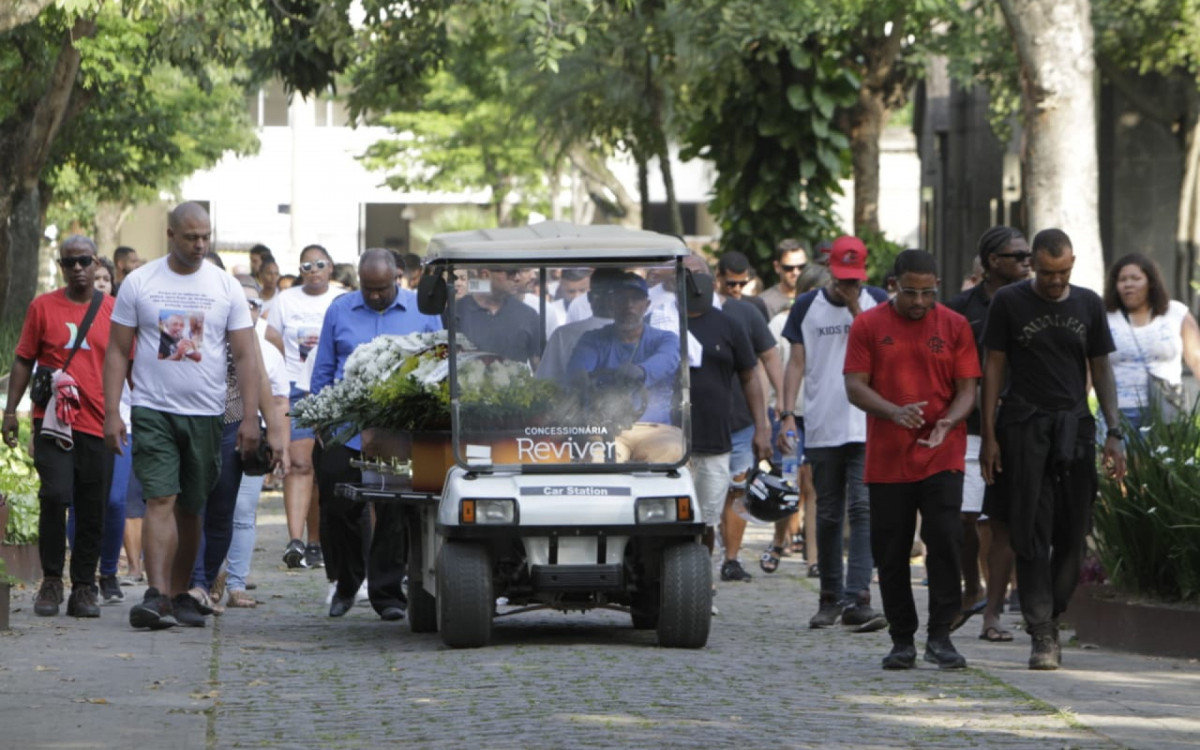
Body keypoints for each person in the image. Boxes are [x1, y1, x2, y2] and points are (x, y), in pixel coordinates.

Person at [104, 202, 264, 630]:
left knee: (192, 507)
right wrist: (111, 412)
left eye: (206, 237)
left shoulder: (224, 287)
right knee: (160, 498)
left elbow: (247, 356)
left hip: (207, 414)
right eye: (191, 237)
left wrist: (250, 418)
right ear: (171, 235)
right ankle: (156, 596)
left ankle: (179, 594)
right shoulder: (140, 282)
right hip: (153, 409)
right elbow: (118, 350)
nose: (200, 244)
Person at [980, 228, 1126, 670]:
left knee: (1073, 531)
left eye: (1063, 273)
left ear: (1073, 264)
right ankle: (1042, 632)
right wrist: (988, 435)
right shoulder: (1009, 302)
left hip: (1075, 427)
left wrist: (1114, 431)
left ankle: (1055, 612)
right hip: (1023, 427)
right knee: (1029, 531)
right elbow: (993, 367)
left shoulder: (1088, 304)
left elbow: (1100, 367)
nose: (1055, 282)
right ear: (1034, 266)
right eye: (1046, 273)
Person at [845, 250, 981, 670]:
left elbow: (967, 389)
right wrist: (893, 411)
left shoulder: (955, 325)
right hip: (888, 457)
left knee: (944, 539)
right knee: (891, 549)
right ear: (893, 286)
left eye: (928, 292)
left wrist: (949, 421)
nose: (919, 301)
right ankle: (901, 638)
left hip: (943, 452)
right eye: (910, 293)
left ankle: (940, 636)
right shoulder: (868, 325)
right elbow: (854, 385)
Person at [311, 249, 443, 619]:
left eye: (381, 289)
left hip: (401, 430)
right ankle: (347, 582)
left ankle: (387, 593)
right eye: (368, 289)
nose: (374, 296)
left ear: (397, 278)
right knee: (337, 507)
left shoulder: (423, 310)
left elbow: (440, 360)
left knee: (396, 511)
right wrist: (321, 422)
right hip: (347, 429)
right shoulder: (340, 310)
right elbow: (323, 370)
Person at [779, 235, 889, 631]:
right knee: (826, 512)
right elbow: (796, 363)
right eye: (843, 280)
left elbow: (881, 351)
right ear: (830, 271)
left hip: (867, 423)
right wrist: (787, 414)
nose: (849, 288)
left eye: (855, 280)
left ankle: (858, 597)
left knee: (862, 509)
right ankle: (829, 596)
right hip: (823, 423)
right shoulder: (808, 305)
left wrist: (859, 307)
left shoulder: (877, 302)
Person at [4, 236, 117, 618]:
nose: (79, 268)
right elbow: (22, 360)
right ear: (62, 267)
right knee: (54, 495)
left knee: (92, 506)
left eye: (85, 261)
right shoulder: (43, 307)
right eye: (70, 263)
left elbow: (129, 365)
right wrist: (9, 413)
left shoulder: (114, 312)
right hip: (52, 422)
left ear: (95, 261)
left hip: (99, 423)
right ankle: (52, 580)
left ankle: (84, 587)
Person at [946, 226, 1030, 642]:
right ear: (993, 261)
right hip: (970, 428)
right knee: (963, 516)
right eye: (1019, 255)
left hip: (1021, 425)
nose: (1028, 261)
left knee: (1004, 522)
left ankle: (993, 611)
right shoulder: (959, 308)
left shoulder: (1037, 303)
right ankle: (969, 587)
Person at [681, 255, 772, 589]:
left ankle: (700, 586)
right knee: (670, 521)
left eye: (699, 274)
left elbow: (751, 375)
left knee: (705, 520)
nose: (694, 281)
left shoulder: (729, 324)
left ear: (711, 278)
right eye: (687, 274)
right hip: (668, 445)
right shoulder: (662, 321)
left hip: (716, 441)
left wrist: (762, 427)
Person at [266, 245, 345, 570]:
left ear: (331, 268)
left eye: (320, 264)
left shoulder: (342, 300)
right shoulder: (286, 300)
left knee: (324, 470)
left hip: (333, 392)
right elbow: (272, 336)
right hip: (297, 390)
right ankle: (295, 539)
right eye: (307, 265)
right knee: (299, 465)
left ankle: (318, 540)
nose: (313, 270)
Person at [565, 273, 683, 463]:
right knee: (598, 458)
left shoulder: (665, 338)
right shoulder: (593, 339)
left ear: (647, 304)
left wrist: (641, 371)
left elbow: (667, 359)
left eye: (636, 299)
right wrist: (582, 379)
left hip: (656, 429)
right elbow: (578, 371)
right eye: (622, 298)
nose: (629, 305)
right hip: (607, 428)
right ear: (612, 304)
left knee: (669, 454)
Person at [223, 283, 291, 608]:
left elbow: (277, 397)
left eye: (252, 302)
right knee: (213, 509)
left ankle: (236, 583)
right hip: (212, 430)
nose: (245, 307)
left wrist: (279, 440)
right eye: (240, 301)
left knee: (243, 510)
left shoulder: (264, 345)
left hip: (250, 435)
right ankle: (209, 577)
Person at [1103, 252, 1200, 431]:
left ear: (1151, 282)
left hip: (1166, 409)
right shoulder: (1105, 317)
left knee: (1165, 459)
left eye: (1136, 278)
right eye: (1122, 279)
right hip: (1117, 412)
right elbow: (1090, 366)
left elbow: (1196, 359)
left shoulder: (1176, 313)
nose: (1128, 284)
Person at [456, 267, 542, 366]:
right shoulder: (457, 312)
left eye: (518, 272)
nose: (517, 278)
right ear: (485, 275)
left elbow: (540, 368)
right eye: (511, 273)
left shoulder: (528, 315)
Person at [758, 239, 810, 318]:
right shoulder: (764, 302)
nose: (796, 272)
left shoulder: (816, 296)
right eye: (788, 268)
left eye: (801, 267)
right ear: (777, 267)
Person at [716, 251, 771, 322]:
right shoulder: (710, 306)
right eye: (731, 283)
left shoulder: (756, 306)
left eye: (742, 283)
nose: (737, 289)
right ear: (718, 276)